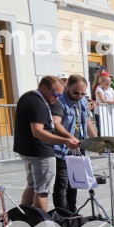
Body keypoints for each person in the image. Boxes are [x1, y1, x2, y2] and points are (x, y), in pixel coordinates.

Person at [14, 76, 81, 212]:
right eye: (55, 94)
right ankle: (41, 226)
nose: (56, 98)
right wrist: (65, 141)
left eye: (60, 95)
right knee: (42, 191)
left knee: (32, 186)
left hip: (28, 151)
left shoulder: (27, 97)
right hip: (40, 152)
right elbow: (37, 131)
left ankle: (23, 218)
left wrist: (68, 138)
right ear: (44, 87)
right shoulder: (38, 103)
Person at [51, 75, 98, 212]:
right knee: (62, 184)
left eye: (82, 93)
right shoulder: (60, 102)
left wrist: (97, 142)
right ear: (68, 87)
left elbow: (87, 122)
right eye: (75, 92)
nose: (79, 96)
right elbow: (56, 123)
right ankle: (62, 214)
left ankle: (72, 212)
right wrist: (70, 138)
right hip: (62, 149)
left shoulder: (83, 101)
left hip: (78, 149)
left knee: (74, 183)